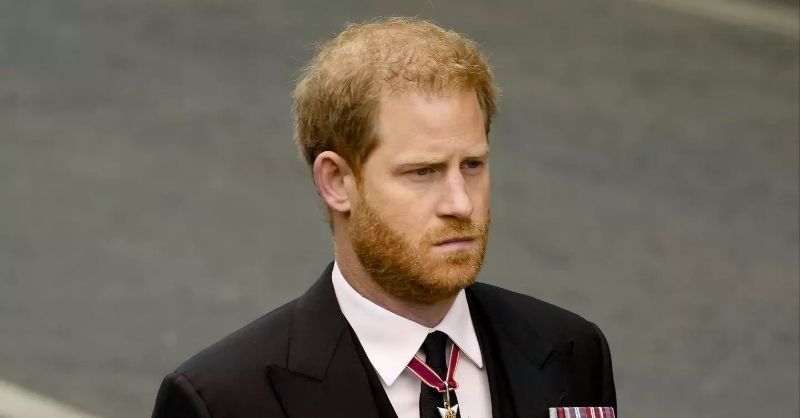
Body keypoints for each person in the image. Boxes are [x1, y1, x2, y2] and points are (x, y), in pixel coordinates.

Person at [151, 17, 616, 418]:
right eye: (423, 172)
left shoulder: (571, 352)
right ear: (337, 181)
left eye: (472, 165)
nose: (461, 203)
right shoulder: (225, 402)